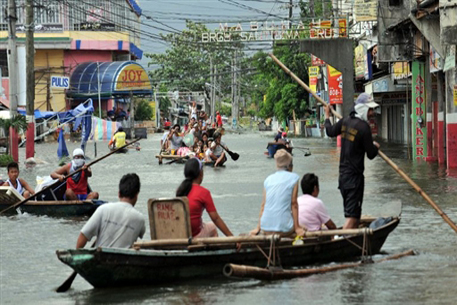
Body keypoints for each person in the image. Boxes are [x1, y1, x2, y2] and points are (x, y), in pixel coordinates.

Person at [324, 92, 380, 229]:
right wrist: (376, 147)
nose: (372, 113)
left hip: (343, 178)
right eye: (370, 109)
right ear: (363, 109)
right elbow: (371, 154)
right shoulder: (363, 127)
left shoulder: (345, 121)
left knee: (354, 217)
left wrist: (327, 116)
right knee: (352, 218)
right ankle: (339, 241)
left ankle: (351, 244)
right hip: (354, 180)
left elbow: (330, 131)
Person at [76, 173, 145, 248]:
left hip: (100, 257)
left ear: (119, 194)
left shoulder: (103, 209)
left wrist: (77, 257)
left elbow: (83, 235)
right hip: (124, 258)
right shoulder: (140, 219)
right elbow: (141, 235)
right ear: (136, 195)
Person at [250, 149, 305, 237]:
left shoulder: (268, 180)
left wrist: (258, 228)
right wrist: (297, 228)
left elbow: (263, 205)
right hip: (284, 229)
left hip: (265, 228)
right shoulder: (294, 178)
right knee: (304, 228)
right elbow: (294, 204)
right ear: (289, 166)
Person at [176, 158, 235, 238]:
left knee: (204, 224)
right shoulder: (203, 192)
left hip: (181, 233)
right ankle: (213, 250)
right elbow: (216, 218)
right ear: (200, 173)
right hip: (195, 234)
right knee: (212, 227)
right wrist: (231, 236)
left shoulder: (180, 191)